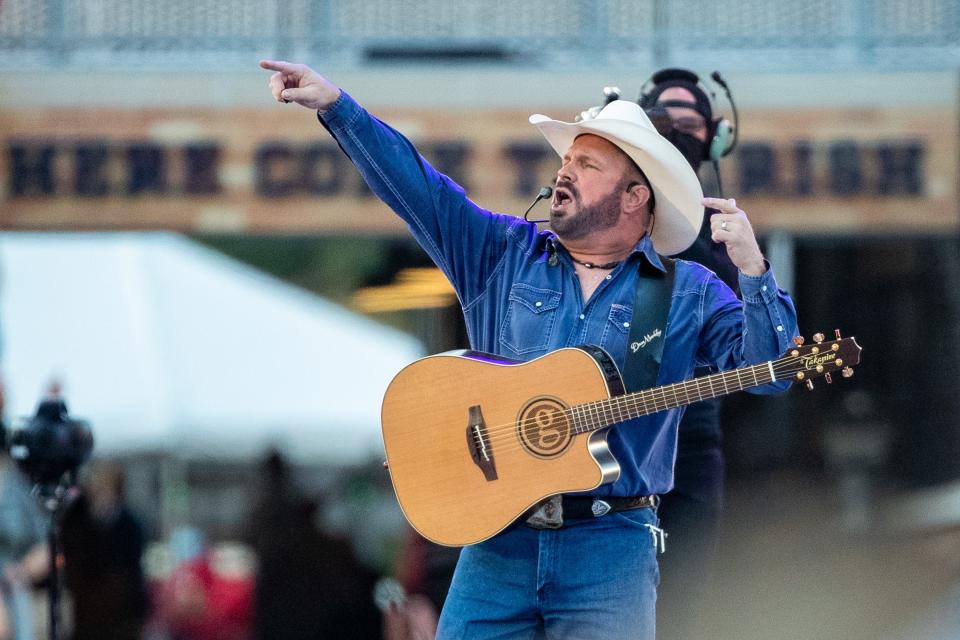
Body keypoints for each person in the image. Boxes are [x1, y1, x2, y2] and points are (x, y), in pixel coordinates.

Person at [259, 59, 798, 639]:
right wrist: (338, 108)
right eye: (566, 160)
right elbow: (419, 188)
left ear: (634, 196)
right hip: (496, 543)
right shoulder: (505, 254)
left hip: (610, 550)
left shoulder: (685, 290)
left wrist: (754, 270)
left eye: (587, 164)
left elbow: (770, 374)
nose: (564, 172)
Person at [637, 68, 743, 639]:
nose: (679, 131)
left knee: (681, 609)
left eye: (690, 122)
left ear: (715, 136)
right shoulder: (617, 209)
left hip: (691, 445)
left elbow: (744, 341)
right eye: (665, 120)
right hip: (611, 443)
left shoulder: (722, 227)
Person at [60, 460, 149, 640]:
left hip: (122, 618)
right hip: (86, 616)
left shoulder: (130, 524)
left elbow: (132, 573)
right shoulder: (76, 521)